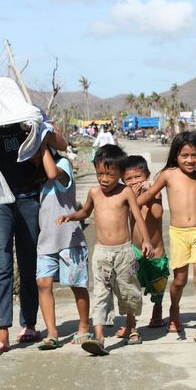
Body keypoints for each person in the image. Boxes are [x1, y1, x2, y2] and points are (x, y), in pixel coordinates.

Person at [0, 77, 67, 356]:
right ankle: (1, 332)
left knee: (29, 260)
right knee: (2, 262)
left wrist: (42, 129)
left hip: (29, 197)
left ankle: (29, 323)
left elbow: (61, 144)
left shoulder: (32, 114)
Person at [57, 144, 153, 356]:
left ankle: (132, 327)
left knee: (127, 292)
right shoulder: (93, 192)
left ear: (120, 173)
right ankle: (99, 338)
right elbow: (85, 212)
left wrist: (146, 240)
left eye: (110, 174)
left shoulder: (126, 192)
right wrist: (71, 216)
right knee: (101, 294)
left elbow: (137, 216)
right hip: (101, 253)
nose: (104, 179)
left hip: (124, 252)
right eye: (100, 173)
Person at [137, 131, 196, 341]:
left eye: (195, 155)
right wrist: (129, 204)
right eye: (185, 155)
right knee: (179, 280)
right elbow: (150, 194)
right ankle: (175, 310)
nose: (190, 160)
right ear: (176, 156)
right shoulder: (168, 174)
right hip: (179, 234)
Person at [35, 135, 90, 350]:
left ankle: (84, 327)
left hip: (69, 238)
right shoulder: (38, 179)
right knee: (43, 283)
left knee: (77, 284)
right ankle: (52, 333)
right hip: (46, 240)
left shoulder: (63, 164)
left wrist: (41, 145)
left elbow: (52, 173)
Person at [114, 155, 169, 337]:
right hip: (135, 250)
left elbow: (157, 214)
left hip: (155, 250)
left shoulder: (155, 194)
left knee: (158, 284)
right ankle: (131, 322)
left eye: (138, 177)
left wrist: (150, 195)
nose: (133, 182)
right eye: (128, 179)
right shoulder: (127, 197)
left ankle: (158, 309)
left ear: (147, 175)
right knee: (131, 285)